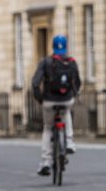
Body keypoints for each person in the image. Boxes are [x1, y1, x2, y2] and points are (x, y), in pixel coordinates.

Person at [30, 35, 80, 176]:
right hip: (66, 99)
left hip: (49, 101)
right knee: (66, 112)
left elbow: (35, 83)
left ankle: (46, 161)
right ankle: (69, 142)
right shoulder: (71, 62)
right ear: (65, 47)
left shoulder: (46, 62)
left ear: (52, 46)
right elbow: (78, 82)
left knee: (47, 128)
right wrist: (73, 94)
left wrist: (40, 98)